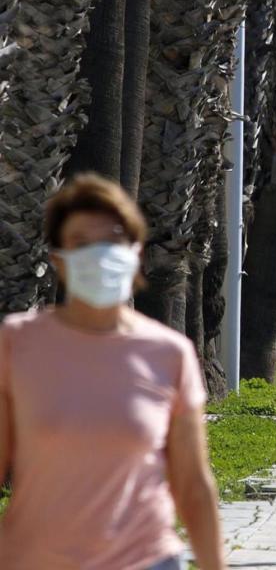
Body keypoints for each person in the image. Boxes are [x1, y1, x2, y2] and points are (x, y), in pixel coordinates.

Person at [0, 174, 224, 569]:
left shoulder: (170, 353)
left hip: (145, 559)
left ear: (136, 252)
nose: (98, 254)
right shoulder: (18, 343)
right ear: (58, 260)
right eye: (81, 244)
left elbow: (193, 485)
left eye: (111, 241)